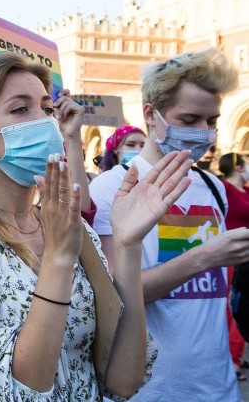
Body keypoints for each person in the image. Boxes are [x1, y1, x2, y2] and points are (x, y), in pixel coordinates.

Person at [0, 54, 169, 400]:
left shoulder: (72, 228)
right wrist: (59, 260)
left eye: (47, 110)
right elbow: (18, 390)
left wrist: (127, 246)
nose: (45, 123)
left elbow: (124, 381)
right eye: (20, 110)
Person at [89, 48, 249, 401]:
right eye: (190, 119)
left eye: (212, 121)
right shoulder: (113, 186)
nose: (204, 133)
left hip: (218, 387)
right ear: (151, 114)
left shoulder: (212, 188)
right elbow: (112, 296)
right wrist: (203, 257)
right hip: (149, 389)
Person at [220, 152, 249, 379]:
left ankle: (235, 357)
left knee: (243, 307)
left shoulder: (246, 191)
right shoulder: (222, 188)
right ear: (237, 166)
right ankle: (233, 360)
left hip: (246, 257)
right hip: (230, 254)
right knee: (231, 308)